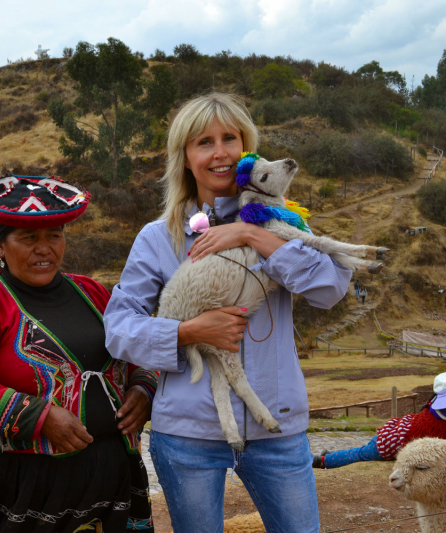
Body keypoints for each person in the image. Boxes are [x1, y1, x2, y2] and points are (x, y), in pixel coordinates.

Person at [104, 93, 352, 533]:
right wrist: (187, 331)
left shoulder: (284, 223)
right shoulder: (157, 238)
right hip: (186, 437)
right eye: (204, 142)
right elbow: (120, 329)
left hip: (278, 433)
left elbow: (331, 289)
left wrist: (254, 237)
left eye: (230, 139)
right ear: (184, 157)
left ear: (247, 148)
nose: (220, 152)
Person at [0, 175, 158, 533]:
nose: (45, 248)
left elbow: (135, 347)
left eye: (54, 235)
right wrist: (40, 417)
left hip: (110, 478)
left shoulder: (92, 292)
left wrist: (142, 388)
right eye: (29, 238)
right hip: (19, 487)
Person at [313, 373, 446, 469]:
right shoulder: (438, 421)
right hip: (388, 443)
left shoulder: (433, 406)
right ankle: (324, 461)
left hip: (396, 430)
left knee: (361, 450)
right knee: (360, 454)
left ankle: (333, 455)